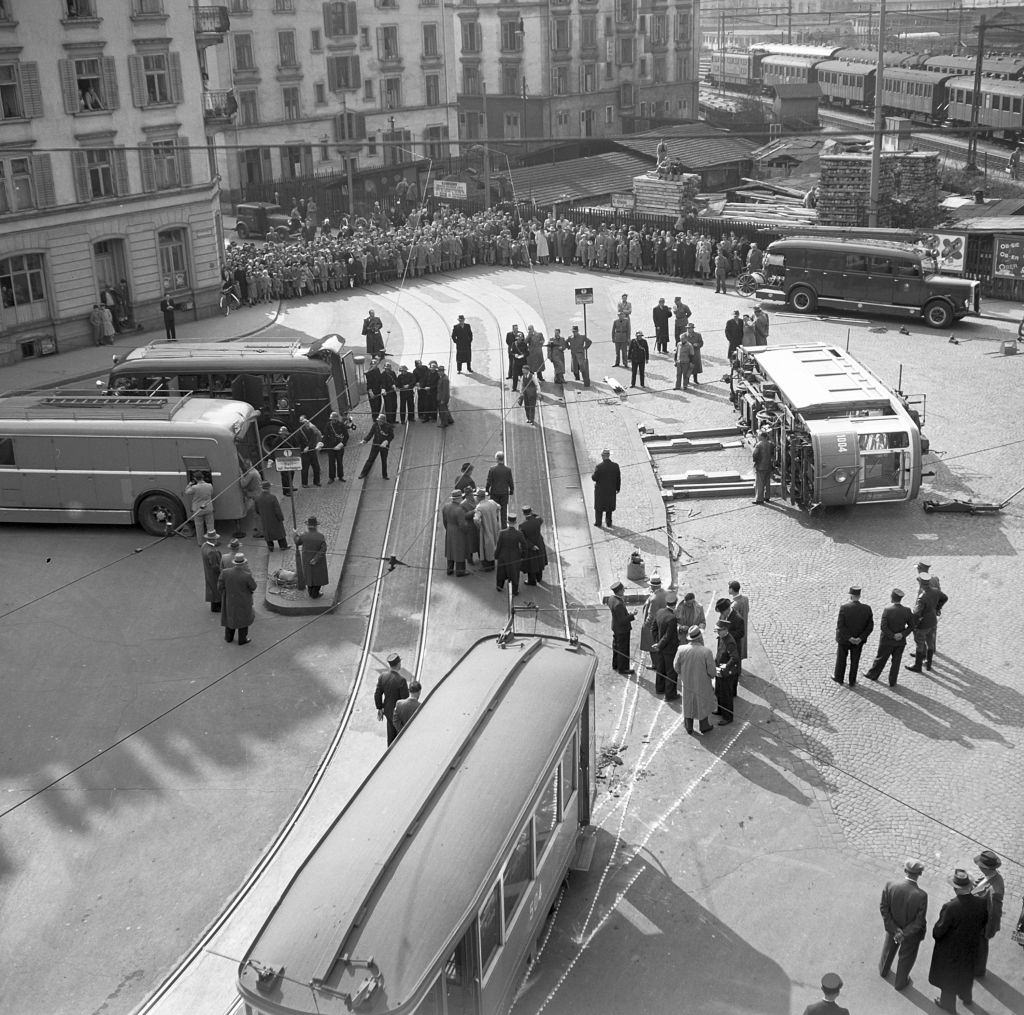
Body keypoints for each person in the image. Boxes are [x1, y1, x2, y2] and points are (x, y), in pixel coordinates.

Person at [928, 869, 989, 1013]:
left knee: (949, 979)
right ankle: (966, 997)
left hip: (952, 951)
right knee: (967, 973)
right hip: (971, 946)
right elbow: (983, 922)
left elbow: (938, 932)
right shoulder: (981, 903)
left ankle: (947, 1005)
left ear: (955, 888)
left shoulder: (950, 907)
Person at [879, 858, 928, 991]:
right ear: (920, 874)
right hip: (910, 935)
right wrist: (904, 933)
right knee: (906, 957)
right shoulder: (922, 896)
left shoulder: (890, 885)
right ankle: (900, 983)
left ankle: (883, 970)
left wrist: (895, 929)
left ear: (905, 870)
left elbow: (884, 908)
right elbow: (919, 921)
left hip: (892, 928)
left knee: (888, 949)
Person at [865, 588, 915, 686]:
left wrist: (892, 635)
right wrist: (902, 634)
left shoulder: (888, 610)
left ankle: (873, 675)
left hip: (887, 641)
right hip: (900, 642)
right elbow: (911, 626)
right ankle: (892, 681)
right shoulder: (907, 610)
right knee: (896, 662)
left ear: (892, 598)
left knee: (880, 659)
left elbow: (883, 627)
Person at [674, 626, 716, 735]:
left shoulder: (681, 649)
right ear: (699, 637)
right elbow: (712, 671)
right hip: (702, 682)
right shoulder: (706, 652)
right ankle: (704, 726)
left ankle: (689, 726)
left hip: (687, 681)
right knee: (702, 703)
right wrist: (711, 677)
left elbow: (676, 666)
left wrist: (683, 674)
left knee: (688, 702)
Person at [906, 570, 948, 673]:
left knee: (919, 644)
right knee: (930, 643)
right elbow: (945, 598)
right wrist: (937, 608)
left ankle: (918, 665)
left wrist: (914, 625)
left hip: (923, 624)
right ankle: (929, 664)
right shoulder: (936, 591)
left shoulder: (922, 597)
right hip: (933, 621)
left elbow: (916, 613)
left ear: (921, 583)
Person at [971, 850, 1004, 978]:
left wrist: (989, 931)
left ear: (985, 868)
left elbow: (994, 913)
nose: (978, 866)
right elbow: (983, 886)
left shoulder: (995, 892)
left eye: (980, 865)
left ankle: (978, 971)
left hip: (982, 926)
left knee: (980, 947)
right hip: (978, 921)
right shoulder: (992, 876)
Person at [834, 586, 874, 686]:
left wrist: (849, 638)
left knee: (841, 659)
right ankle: (852, 680)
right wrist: (860, 638)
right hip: (858, 641)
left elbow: (840, 626)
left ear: (851, 596)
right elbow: (870, 626)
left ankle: (839, 678)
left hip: (844, 640)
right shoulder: (867, 608)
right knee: (855, 661)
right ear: (859, 596)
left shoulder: (844, 607)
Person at [219, 553, 256, 645]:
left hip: (230, 600)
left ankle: (228, 637)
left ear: (234, 562)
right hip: (243, 601)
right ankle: (242, 639)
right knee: (243, 619)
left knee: (230, 617)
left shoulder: (225, 572)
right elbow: (253, 587)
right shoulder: (246, 575)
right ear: (243, 563)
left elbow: (220, 586)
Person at [374, 652, 410, 746]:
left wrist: (380, 708)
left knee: (391, 736)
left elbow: (377, 694)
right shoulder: (401, 680)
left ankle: (389, 751)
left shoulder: (382, 676)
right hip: (398, 715)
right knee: (401, 738)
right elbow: (405, 700)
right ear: (398, 664)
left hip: (388, 712)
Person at [714, 618, 740, 725]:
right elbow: (719, 652)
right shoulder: (721, 638)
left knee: (726, 695)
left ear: (725, 630)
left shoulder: (730, 642)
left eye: (719, 630)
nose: (718, 632)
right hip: (719, 670)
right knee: (718, 692)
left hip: (726, 673)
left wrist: (726, 666)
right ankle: (720, 710)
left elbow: (735, 657)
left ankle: (728, 717)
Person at [655, 589, 681, 699]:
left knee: (660, 669)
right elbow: (668, 636)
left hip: (660, 648)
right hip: (670, 649)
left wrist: (657, 642)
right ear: (675, 604)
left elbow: (653, 628)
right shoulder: (672, 618)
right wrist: (660, 644)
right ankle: (670, 694)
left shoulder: (659, 612)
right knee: (671, 672)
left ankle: (659, 688)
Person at [294, 516, 328, 598]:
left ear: (308, 526)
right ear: (316, 526)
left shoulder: (304, 535)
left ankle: (310, 592)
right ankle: (315, 593)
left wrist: (295, 534)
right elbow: (323, 549)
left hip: (306, 560)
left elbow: (297, 542)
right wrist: (315, 559)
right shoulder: (320, 536)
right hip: (318, 562)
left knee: (309, 576)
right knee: (318, 577)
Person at [495, 512, 527, 596]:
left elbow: (498, 546)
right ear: (515, 522)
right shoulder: (519, 534)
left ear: (507, 522)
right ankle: (515, 591)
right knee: (514, 574)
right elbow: (524, 545)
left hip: (503, 556)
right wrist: (522, 556)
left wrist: (496, 555)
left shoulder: (502, 533)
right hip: (515, 556)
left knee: (501, 572)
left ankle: (499, 586)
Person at [607, 580, 636, 674]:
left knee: (616, 647)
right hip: (622, 630)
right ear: (619, 591)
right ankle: (623, 668)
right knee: (623, 649)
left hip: (616, 627)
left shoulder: (611, 599)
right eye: (623, 589)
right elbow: (623, 620)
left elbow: (619, 616)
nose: (624, 591)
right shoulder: (618, 604)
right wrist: (632, 615)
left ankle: (615, 664)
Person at [640, 575, 666, 676]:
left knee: (652, 646)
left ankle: (656, 665)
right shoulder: (664, 593)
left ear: (652, 586)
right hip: (662, 624)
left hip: (653, 627)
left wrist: (646, 625)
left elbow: (651, 616)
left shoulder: (654, 599)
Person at [358, 413, 394, 480]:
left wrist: (386, 441)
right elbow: (370, 434)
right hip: (375, 445)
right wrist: (365, 440)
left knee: (384, 460)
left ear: (383, 421)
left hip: (384, 446)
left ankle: (384, 475)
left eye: (380, 421)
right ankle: (363, 473)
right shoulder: (375, 425)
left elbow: (391, 436)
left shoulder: (388, 426)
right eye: (378, 421)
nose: (379, 422)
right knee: (370, 459)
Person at [441, 490, 469, 577]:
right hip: (458, 532)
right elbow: (462, 525)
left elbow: (444, 521)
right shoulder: (459, 510)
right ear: (459, 498)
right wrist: (467, 530)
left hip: (449, 529)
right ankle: (460, 571)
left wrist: (448, 528)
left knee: (450, 549)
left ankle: (449, 569)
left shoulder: (446, 506)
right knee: (460, 550)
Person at [254, 481, 288, 551]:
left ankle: (271, 547)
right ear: (269, 488)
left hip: (265, 519)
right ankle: (283, 546)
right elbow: (277, 510)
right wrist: (281, 518)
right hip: (274, 519)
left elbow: (257, 510)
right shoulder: (272, 497)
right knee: (280, 533)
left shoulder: (257, 498)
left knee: (267, 534)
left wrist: (263, 515)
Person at [518, 505, 547, 586]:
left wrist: (531, 546)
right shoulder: (538, 520)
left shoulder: (522, 525)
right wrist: (532, 513)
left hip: (530, 547)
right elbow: (539, 517)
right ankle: (539, 578)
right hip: (539, 543)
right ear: (531, 511)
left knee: (531, 565)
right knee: (539, 561)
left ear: (523, 513)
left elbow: (523, 539)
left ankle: (532, 581)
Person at [591, 448, 620, 528]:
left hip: (600, 492)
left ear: (603, 456)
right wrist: (618, 488)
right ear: (609, 456)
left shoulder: (599, 467)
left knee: (599, 507)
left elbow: (594, 478)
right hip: (611, 491)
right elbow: (618, 478)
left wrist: (593, 475)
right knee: (609, 507)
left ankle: (598, 523)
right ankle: (608, 523)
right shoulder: (615, 466)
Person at [184, 470, 215, 545]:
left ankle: (201, 543)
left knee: (199, 527)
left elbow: (186, 492)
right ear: (202, 477)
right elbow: (211, 493)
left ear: (195, 478)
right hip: (208, 508)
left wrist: (189, 484)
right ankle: (212, 541)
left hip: (198, 509)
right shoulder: (209, 485)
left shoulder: (194, 487)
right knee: (210, 526)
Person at [485, 450, 514, 526]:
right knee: (504, 512)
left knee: (495, 511)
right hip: (504, 493)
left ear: (497, 458)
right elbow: (510, 481)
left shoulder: (492, 469)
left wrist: (487, 490)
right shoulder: (508, 470)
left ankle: (496, 527)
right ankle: (504, 527)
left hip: (494, 493)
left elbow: (489, 481)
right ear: (503, 458)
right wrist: (511, 490)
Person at [474, 490, 500, 571]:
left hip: (485, 528)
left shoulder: (479, 507)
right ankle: (492, 564)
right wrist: (496, 516)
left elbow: (476, 519)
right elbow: (499, 507)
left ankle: (487, 566)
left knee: (485, 546)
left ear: (479, 497)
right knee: (493, 544)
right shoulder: (492, 502)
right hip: (494, 527)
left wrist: (479, 526)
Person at [296, 415, 323, 488]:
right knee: (305, 469)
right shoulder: (299, 432)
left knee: (316, 467)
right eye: (307, 424)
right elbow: (297, 442)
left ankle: (316, 481)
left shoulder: (311, 430)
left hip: (312, 451)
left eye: (308, 424)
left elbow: (313, 439)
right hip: (304, 453)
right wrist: (302, 449)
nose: (308, 425)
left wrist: (308, 446)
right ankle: (304, 483)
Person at [324, 411, 351, 483]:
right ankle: (331, 477)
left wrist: (342, 444)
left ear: (336, 419)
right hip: (331, 446)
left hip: (339, 446)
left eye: (333, 419)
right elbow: (325, 436)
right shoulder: (328, 425)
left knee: (339, 462)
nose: (332, 420)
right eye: (331, 419)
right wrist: (322, 444)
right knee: (331, 463)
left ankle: (340, 476)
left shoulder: (341, 425)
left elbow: (346, 436)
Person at [200, 533, 222, 614]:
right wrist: (222, 571)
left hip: (208, 571)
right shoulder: (212, 551)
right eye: (216, 538)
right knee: (216, 589)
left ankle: (214, 605)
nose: (217, 540)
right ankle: (216, 606)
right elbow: (215, 566)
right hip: (214, 574)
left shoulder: (204, 546)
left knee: (212, 588)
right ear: (213, 539)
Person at [728, 580, 749, 660]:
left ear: (731, 589)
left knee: (737, 651)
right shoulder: (745, 599)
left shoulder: (734, 605)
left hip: (737, 631)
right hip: (744, 628)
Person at [752, 429, 773, 505]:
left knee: (759, 483)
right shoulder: (770, 444)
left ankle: (759, 499)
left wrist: (755, 462)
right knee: (767, 482)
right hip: (768, 465)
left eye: (759, 435)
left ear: (762, 437)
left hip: (761, 466)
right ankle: (767, 496)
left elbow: (755, 454)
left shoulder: (759, 444)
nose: (758, 436)